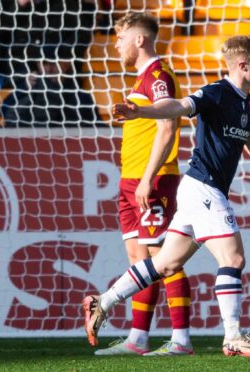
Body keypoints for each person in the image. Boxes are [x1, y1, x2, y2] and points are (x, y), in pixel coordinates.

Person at [82, 35, 250, 358]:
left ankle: (102, 302)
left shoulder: (248, 101)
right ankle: (232, 336)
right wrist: (141, 111)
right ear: (244, 64)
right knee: (233, 259)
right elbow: (178, 106)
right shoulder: (216, 93)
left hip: (196, 190)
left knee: (165, 263)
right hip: (204, 187)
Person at [89, 12, 193, 357]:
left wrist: (148, 179)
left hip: (155, 179)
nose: (115, 45)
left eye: (120, 38)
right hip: (131, 181)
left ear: (139, 39)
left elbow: (168, 126)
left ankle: (181, 340)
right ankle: (138, 338)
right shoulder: (140, 81)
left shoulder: (158, 76)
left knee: (165, 259)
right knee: (139, 262)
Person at [1, 44, 102, 128]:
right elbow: (3, 110)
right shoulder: (27, 89)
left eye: (54, 63)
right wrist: (24, 88)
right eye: (45, 63)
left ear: (66, 64)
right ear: (38, 65)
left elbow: (99, 127)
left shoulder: (80, 97)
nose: (49, 69)